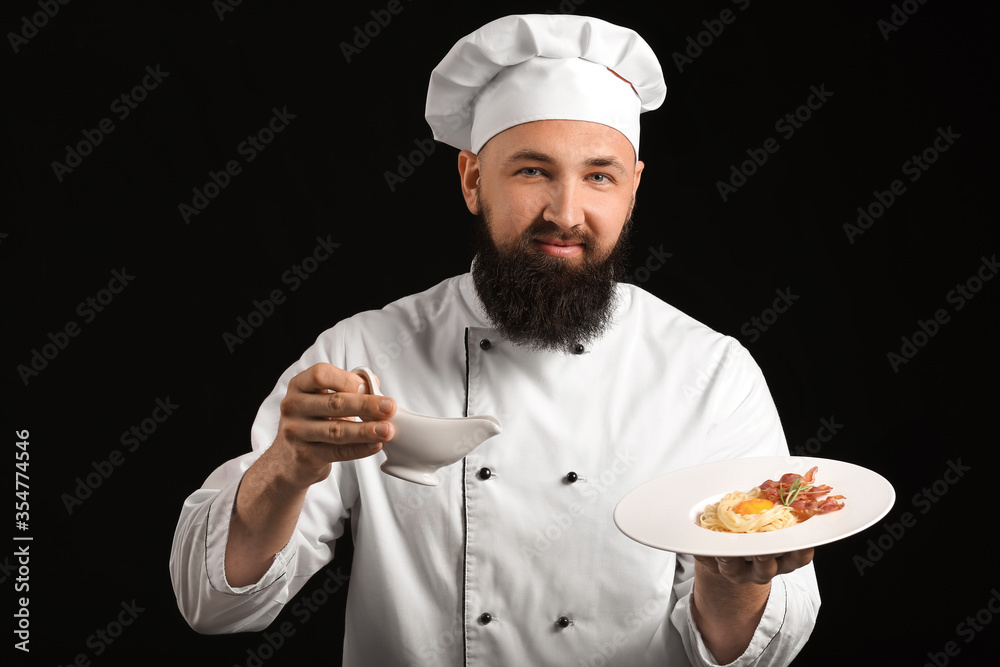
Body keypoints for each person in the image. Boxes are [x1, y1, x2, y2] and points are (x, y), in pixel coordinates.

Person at [170, 14, 820, 666]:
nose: (566, 213)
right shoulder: (361, 356)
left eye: (600, 176)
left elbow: (766, 649)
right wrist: (287, 466)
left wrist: (734, 575)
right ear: (472, 179)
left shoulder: (708, 373)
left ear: (633, 189)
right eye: (534, 171)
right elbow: (212, 601)